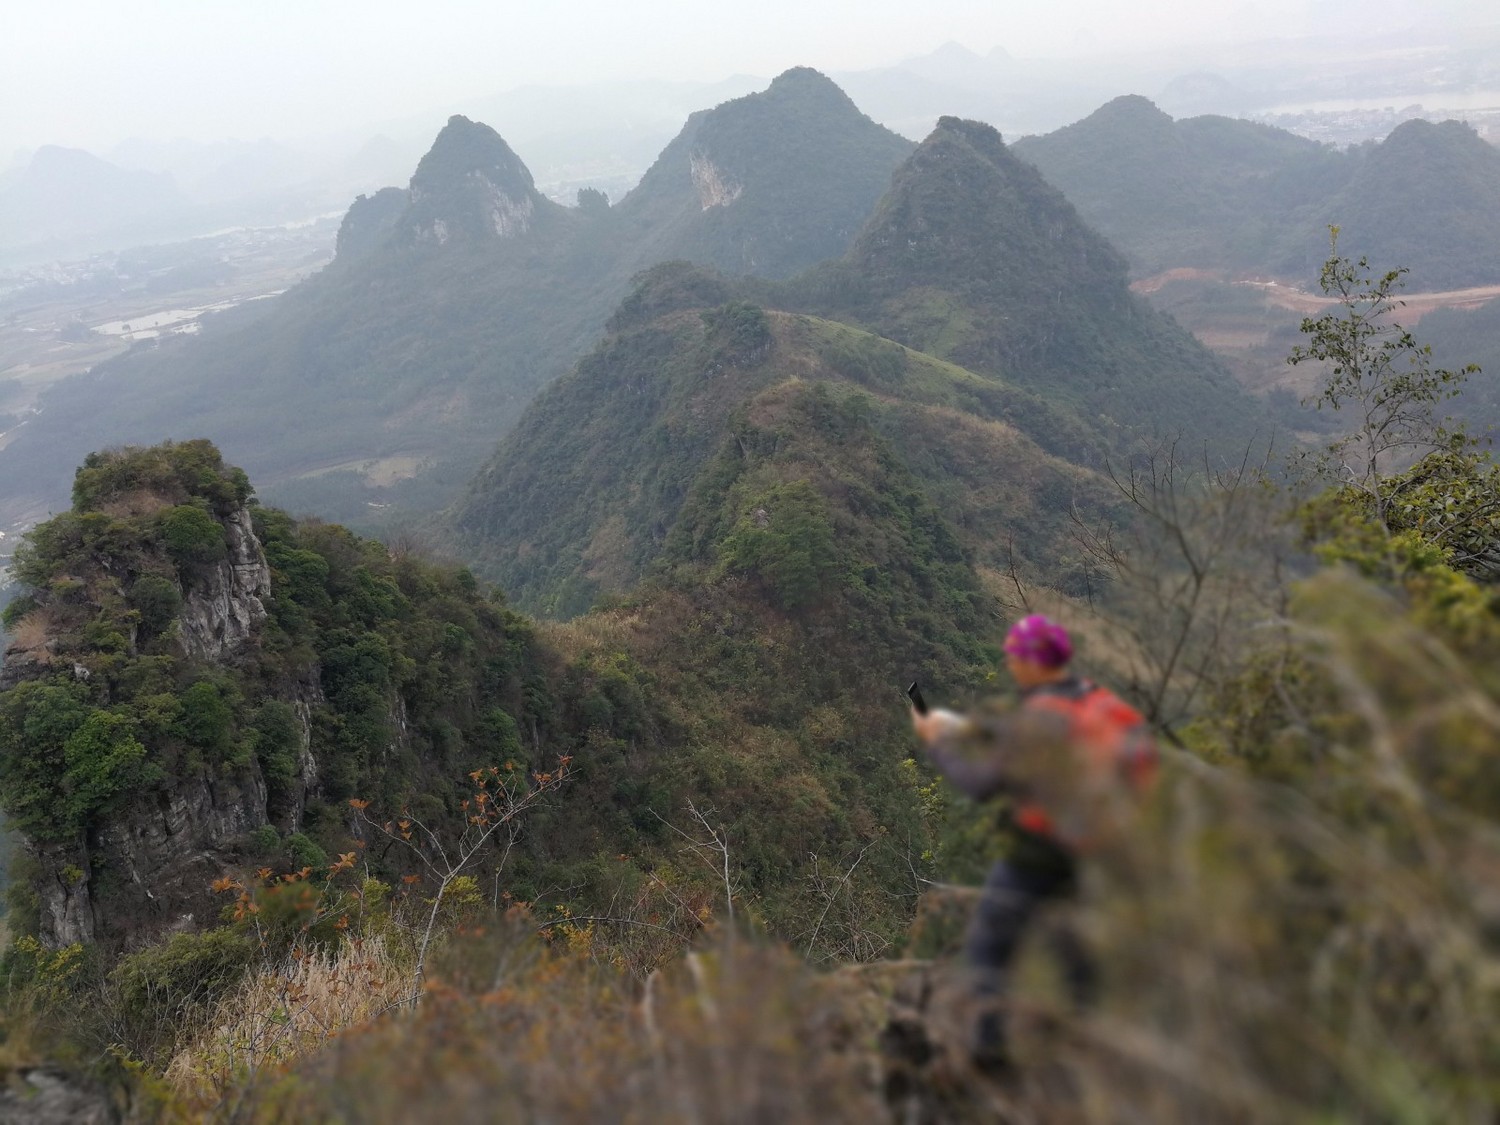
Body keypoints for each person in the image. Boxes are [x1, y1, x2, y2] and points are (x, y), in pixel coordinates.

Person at [910, 613, 1156, 1074]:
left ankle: (989, 1058)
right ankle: (1089, 1042)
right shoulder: (1091, 697)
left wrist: (937, 744)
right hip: (1093, 852)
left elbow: (982, 784)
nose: (1009, 662)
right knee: (1074, 948)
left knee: (988, 948)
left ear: (1032, 660)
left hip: (1037, 855)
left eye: (1013, 655)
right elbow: (1032, 738)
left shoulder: (1040, 716)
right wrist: (962, 728)